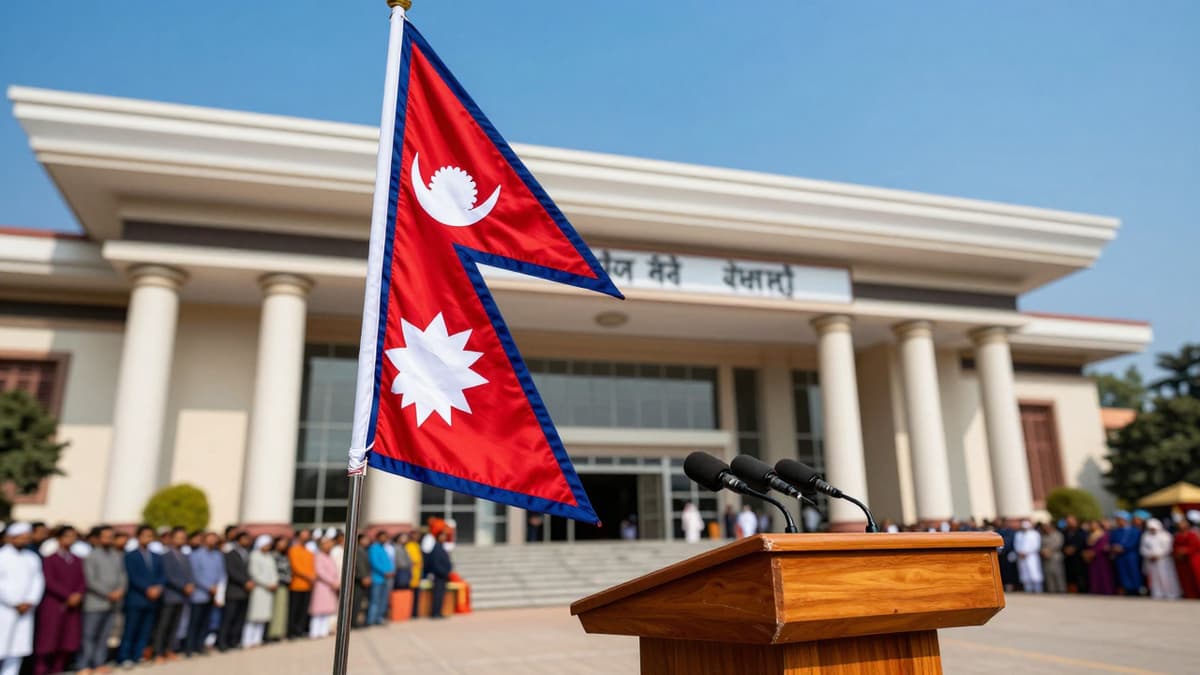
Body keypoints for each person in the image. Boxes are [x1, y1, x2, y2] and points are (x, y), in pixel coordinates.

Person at [34, 526, 85, 675]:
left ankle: (58, 668)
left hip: (73, 605)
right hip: (54, 604)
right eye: (68, 536)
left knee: (67, 639)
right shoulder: (50, 559)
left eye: (73, 536)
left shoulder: (77, 560)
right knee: (48, 639)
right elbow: (49, 581)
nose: (71, 539)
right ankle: (41, 669)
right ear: (59, 538)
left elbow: (82, 580)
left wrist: (78, 595)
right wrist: (67, 595)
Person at [76, 524, 125, 673]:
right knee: (89, 636)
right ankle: (84, 665)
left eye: (111, 537)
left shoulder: (116, 555)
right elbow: (91, 580)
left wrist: (120, 590)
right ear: (97, 538)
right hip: (95, 603)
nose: (109, 540)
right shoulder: (91, 556)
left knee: (104, 636)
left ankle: (99, 663)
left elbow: (123, 575)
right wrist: (108, 593)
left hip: (112, 603)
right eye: (106, 537)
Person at [117, 525, 164, 667]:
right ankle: (125, 657)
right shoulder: (130, 555)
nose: (147, 539)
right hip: (137, 598)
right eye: (145, 535)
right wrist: (147, 589)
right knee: (131, 628)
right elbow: (131, 575)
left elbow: (162, 575)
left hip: (152, 599)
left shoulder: (156, 556)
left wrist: (158, 587)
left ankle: (138, 655)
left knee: (145, 629)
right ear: (138, 537)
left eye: (150, 536)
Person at [0, 524, 44, 675]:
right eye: (21, 537)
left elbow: (37, 581)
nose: (24, 541)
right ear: (11, 538)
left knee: (17, 648)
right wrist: (14, 602)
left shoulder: (32, 557)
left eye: (26, 538)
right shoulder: (2, 555)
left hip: (26, 609)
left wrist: (30, 601)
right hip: (4, 608)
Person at [152, 527, 195, 662]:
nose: (181, 540)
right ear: (171, 539)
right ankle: (158, 652)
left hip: (182, 596)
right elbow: (168, 575)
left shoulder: (185, 556)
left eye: (183, 538)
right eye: (178, 537)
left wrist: (190, 584)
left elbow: (189, 573)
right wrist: (183, 586)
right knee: (163, 625)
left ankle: (169, 649)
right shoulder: (165, 556)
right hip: (170, 595)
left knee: (175, 625)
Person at [185, 532, 224, 657]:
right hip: (199, 593)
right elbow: (195, 574)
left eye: (214, 539)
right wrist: (208, 586)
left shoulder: (218, 555)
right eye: (210, 539)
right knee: (194, 621)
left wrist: (218, 588)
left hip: (213, 594)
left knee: (206, 621)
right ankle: (189, 647)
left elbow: (221, 573)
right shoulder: (196, 555)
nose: (212, 541)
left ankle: (200, 645)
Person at [218, 531, 253, 651]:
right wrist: (245, 582)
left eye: (248, 539)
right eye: (244, 539)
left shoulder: (248, 554)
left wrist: (250, 582)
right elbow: (231, 571)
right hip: (234, 590)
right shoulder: (230, 554)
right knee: (228, 617)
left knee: (240, 618)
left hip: (246, 592)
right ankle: (222, 642)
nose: (247, 542)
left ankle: (234, 640)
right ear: (238, 540)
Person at [243, 535, 278, 648]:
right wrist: (267, 584)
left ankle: (257, 639)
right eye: (266, 545)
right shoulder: (254, 555)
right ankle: (247, 640)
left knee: (263, 617)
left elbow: (274, 571)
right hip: (259, 589)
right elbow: (254, 573)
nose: (268, 547)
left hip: (269, 590)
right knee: (253, 617)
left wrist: (274, 582)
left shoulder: (269, 556)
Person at [1140, 518, 1181, 600]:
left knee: (1166, 577)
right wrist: (1149, 555)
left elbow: (1168, 548)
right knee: (1155, 578)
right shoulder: (1145, 536)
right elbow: (1142, 548)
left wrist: (1159, 555)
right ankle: (1158, 593)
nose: (1152, 530)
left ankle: (1171, 594)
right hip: (1151, 561)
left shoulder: (1165, 535)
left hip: (1164, 561)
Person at [308, 538, 340, 639]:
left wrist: (336, 582)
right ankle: (314, 632)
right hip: (322, 586)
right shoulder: (319, 556)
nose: (328, 547)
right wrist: (332, 581)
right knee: (318, 611)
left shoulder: (329, 557)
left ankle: (323, 631)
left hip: (331, 587)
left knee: (327, 611)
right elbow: (320, 572)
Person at [286, 530, 314, 640]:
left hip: (308, 586)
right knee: (294, 610)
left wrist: (312, 576)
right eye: (304, 535)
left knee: (303, 610)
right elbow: (296, 567)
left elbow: (312, 566)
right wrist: (309, 576)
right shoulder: (293, 550)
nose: (306, 538)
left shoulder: (309, 552)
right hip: (297, 585)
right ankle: (291, 631)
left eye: (307, 536)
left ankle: (300, 630)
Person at [1109, 511, 1143, 595]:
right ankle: (1126, 589)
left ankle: (1136, 590)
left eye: (1120, 520)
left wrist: (1124, 547)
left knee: (1133, 572)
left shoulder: (1134, 531)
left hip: (1131, 555)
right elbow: (1112, 541)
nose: (1119, 522)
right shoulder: (1115, 531)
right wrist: (1114, 547)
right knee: (1122, 573)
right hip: (1120, 556)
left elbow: (1134, 542)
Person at [424, 523, 453, 619]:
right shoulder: (436, 548)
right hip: (438, 575)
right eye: (442, 536)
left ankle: (439, 611)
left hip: (443, 575)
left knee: (441, 595)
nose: (444, 538)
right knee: (437, 595)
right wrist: (443, 572)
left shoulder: (442, 547)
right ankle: (435, 612)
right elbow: (435, 563)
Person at [366, 532, 395, 626]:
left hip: (386, 578)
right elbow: (374, 563)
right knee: (375, 600)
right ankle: (371, 619)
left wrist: (391, 571)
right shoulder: (374, 548)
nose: (384, 539)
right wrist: (384, 572)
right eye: (382, 537)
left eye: (385, 537)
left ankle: (379, 618)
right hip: (377, 578)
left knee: (383, 600)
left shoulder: (384, 548)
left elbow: (389, 562)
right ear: (378, 538)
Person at [267, 537, 291, 642]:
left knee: (281, 611)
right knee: (275, 610)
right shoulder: (272, 555)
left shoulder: (284, 556)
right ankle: (272, 633)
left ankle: (279, 632)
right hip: (276, 585)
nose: (284, 545)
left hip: (284, 585)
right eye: (282, 542)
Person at [1085, 520, 1117, 595]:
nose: (1092, 526)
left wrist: (1094, 552)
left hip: (1101, 557)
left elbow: (1103, 545)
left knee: (1104, 575)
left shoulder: (1103, 534)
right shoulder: (1090, 534)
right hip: (1092, 559)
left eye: (1094, 524)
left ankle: (1106, 590)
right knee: (1094, 575)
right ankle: (1095, 590)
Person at [1172, 515, 1200, 599]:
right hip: (1182, 561)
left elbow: (1195, 546)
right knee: (1185, 578)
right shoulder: (1177, 535)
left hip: (1192, 559)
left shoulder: (1192, 534)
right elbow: (1174, 546)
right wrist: (1178, 552)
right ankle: (1189, 594)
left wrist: (1185, 551)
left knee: (1196, 576)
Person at [1013, 520, 1043, 593]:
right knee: (1024, 572)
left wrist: (1027, 552)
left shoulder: (1035, 534)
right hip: (1021, 556)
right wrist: (1020, 552)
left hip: (1032, 556)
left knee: (1034, 571)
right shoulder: (1018, 534)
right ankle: (1028, 589)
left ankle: (1038, 589)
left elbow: (1037, 545)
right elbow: (1016, 544)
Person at [1061, 515, 1089, 593]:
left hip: (1079, 558)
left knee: (1080, 577)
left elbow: (1084, 542)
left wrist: (1075, 548)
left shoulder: (1082, 532)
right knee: (1069, 577)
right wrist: (1065, 549)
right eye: (1068, 522)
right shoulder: (1064, 532)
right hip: (1068, 559)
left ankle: (1082, 591)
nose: (1070, 523)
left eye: (1071, 521)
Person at [1039, 522, 1066, 593]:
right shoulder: (1043, 536)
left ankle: (1061, 590)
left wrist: (1049, 550)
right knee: (1048, 574)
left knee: (1058, 574)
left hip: (1055, 557)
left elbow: (1059, 544)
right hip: (1046, 558)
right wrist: (1043, 551)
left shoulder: (1058, 535)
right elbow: (1041, 545)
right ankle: (1051, 590)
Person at [352, 534, 372, 628]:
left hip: (364, 579)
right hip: (359, 580)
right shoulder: (359, 550)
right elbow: (360, 565)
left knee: (360, 602)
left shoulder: (364, 550)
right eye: (365, 539)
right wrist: (364, 577)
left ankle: (356, 621)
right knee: (356, 601)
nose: (367, 541)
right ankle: (353, 622)